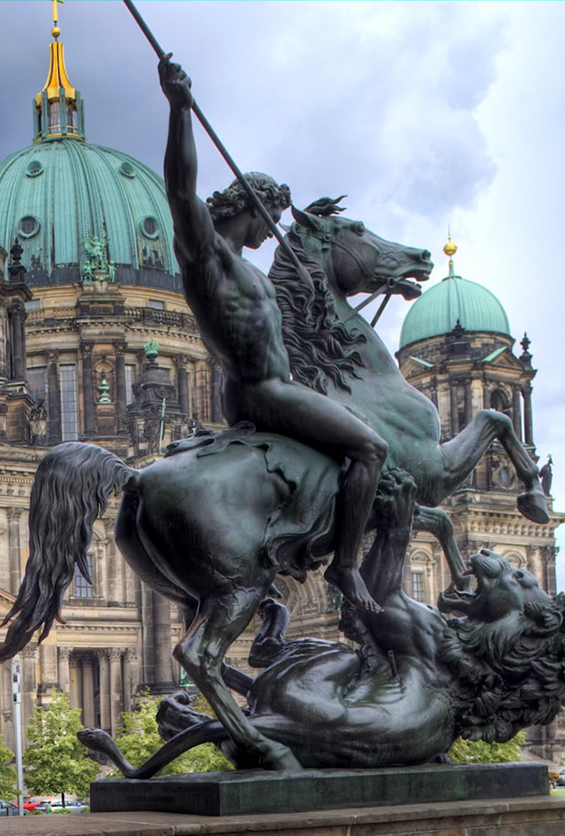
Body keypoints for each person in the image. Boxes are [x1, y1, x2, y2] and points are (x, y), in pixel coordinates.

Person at [159, 55, 389, 615]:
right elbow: (182, 191)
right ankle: (348, 568)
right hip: (262, 391)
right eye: (271, 217)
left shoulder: (252, 273)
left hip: (270, 383)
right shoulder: (207, 255)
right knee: (370, 447)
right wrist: (179, 111)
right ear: (252, 208)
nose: (272, 230)